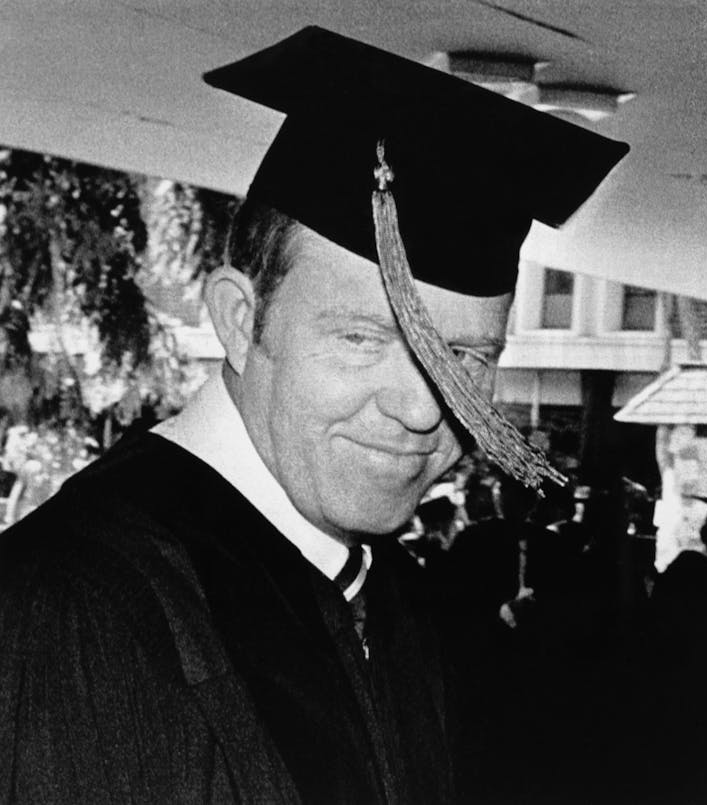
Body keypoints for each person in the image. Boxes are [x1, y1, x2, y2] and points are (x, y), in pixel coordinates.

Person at [0, 26, 627, 804]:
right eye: (363, 338)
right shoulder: (70, 609)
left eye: (465, 359)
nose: (421, 408)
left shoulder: (391, 599)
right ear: (237, 319)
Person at [640, 499, 707, 805]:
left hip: (704, 687)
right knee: (691, 758)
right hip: (692, 686)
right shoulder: (695, 568)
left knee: (702, 759)